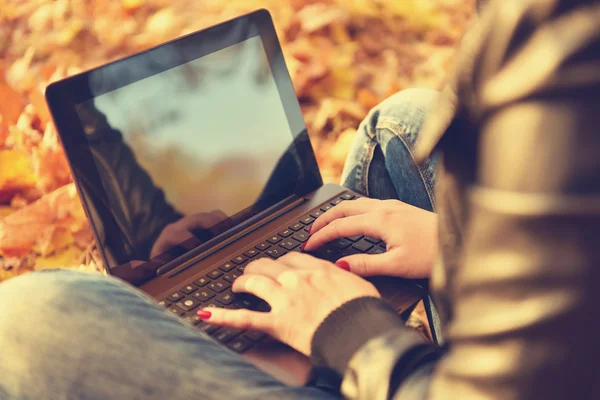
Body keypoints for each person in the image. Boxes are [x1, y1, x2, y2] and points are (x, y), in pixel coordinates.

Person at [1, 0, 599, 398]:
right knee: (402, 126)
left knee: (26, 321)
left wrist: (350, 330)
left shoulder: (570, 41)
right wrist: (464, 250)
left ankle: (309, 371)